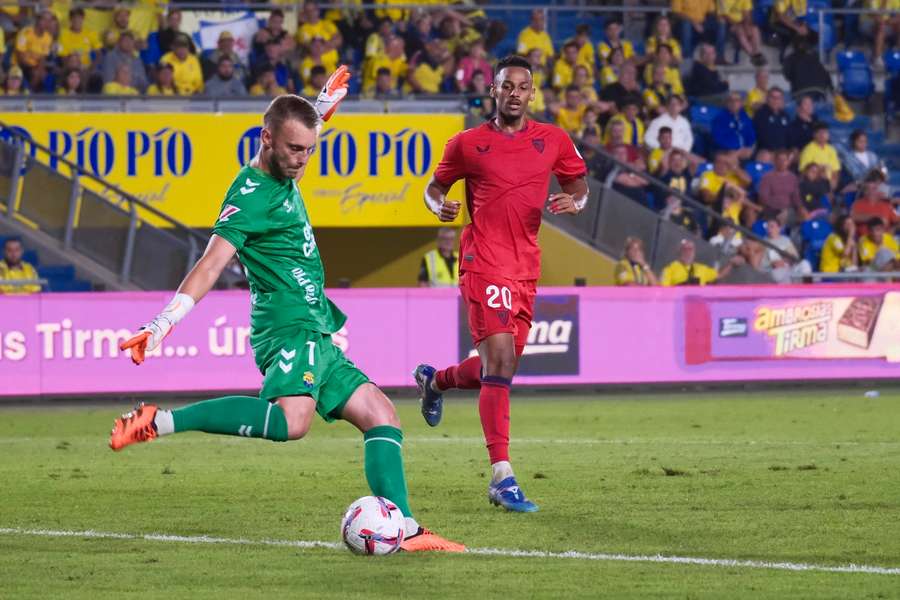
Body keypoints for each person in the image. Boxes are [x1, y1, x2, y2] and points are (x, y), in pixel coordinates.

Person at [109, 74, 463, 554]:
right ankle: (160, 421)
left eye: (309, 150)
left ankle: (408, 529)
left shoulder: (289, 157)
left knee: (382, 415)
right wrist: (161, 324)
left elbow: (306, 127)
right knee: (292, 422)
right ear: (266, 139)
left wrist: (320, 107)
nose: (302, 160)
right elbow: (212, 262)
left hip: (316, 322)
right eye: (294, 149)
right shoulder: (248, 196)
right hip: (287, 325)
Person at [414, 55, 589, 513]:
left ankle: (436, 381)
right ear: (493, 90)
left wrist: (576, 201)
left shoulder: (553, 140)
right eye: (506, 85)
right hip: (483, 259)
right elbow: (435, 188)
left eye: (523, 86)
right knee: (500, 359)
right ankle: (502, 475)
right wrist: (438, 207)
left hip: (526, 267)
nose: (515, 93)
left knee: (500, 370)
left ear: (533, 93)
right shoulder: (468, 143)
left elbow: (579, 183)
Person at [14, 10, 53, 92]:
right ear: (38, 20)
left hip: (36, 66)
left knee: (46, 76)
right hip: (20, 64)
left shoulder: (48, 37)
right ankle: (29, 94)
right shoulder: (25, 32)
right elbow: (20, 57)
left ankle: (35, 95)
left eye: (49, 21)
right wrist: (34, 69)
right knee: (36, 74)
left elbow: (43, 58)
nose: (47, 23)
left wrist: (40, 70)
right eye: (44, 19)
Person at [718, 0, 766, 66]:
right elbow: (724, 15)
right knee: (740, 30)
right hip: (727, 23)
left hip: (741, 22)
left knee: (754, 28)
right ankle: (752, 55)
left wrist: (747, 27)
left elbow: (747, 14)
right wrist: (736, 24)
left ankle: (757, 53)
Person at [758, 149, 802, 218]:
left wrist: (800, 208)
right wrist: (779, 208)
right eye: (779, 160)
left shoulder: (793, 177)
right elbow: (763, 198)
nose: (782, 162)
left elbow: (795, 197)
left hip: (788, 210)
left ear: (788, 162)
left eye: (784, 160)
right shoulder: (767, 177)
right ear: (775, 161)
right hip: (771, 210)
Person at [712, 92, 756, 158]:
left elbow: (751, 134)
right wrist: (736, 148)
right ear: (726, 103)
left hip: (744, 150)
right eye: (731, 100)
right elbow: (718, 139)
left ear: (741, 103)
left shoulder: (745, 117)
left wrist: (749, 148)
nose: (734, 103)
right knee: (731, 157)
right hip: (726, 150)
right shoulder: (720, 118)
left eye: (737, 100)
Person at [799, 123, 840, 190]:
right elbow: (803, 172)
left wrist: (833, 185)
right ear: (814, 135)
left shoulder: (831, 149)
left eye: (825, 132)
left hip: (829, 184)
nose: (822, 135)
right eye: (819, 133)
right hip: (814, 184)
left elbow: (836, 171)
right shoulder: (808, 149)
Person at [752, 87, 791, 153]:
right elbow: (762, 138)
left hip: (782, 153)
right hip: (766, 152)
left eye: (778, 98)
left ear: (782, 100)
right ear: (767, 99)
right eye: (773, 97)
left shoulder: (785, 116)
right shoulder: (760, 114)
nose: (775, 100)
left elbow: (789, 137)